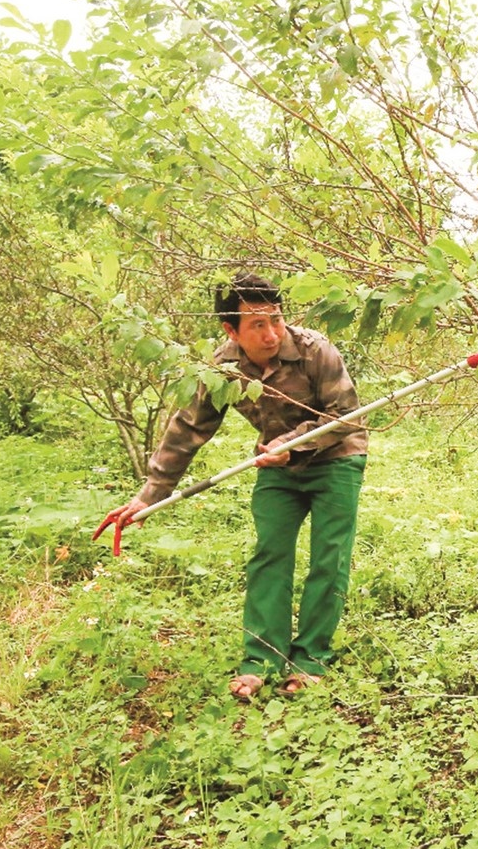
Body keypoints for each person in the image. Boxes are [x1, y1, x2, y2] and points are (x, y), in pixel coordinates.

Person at [107, 273, 367, 699]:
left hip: (337, 457)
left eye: (277, 320)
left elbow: (347, 415)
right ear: (231, 330)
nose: (271, 334)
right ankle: (261, 659)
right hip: (275, 466)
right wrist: (149, 494)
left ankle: (310, 658)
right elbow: (189, 427)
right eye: (257, 325)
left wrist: (293, 443)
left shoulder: (315, 350)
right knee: (269, 555)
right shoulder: (221, 368)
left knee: (329, 556)